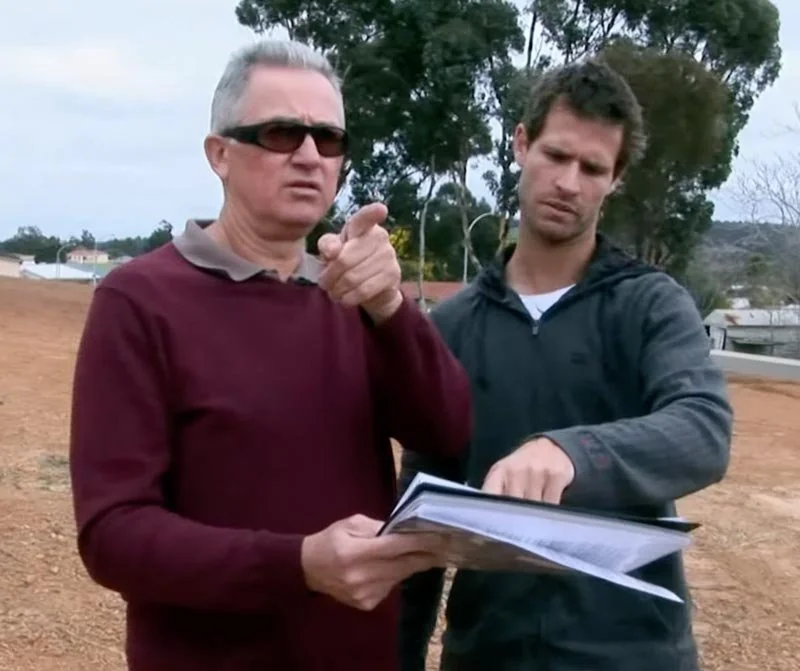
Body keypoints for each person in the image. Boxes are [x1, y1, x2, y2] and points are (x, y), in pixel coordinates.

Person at [68, 39, 472, 671]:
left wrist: (391, 309)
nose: (310, 157)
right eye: (282, 133)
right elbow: (114, 535)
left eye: (328, 138)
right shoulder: (140, 300)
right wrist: (300, 565)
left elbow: (446, 428)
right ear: (219, 155)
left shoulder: (353, 297)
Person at [398, 58, 734, 671]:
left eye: (593, 168)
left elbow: (704, 430)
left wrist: (570, 454)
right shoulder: (449, 328)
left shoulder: (650, 303)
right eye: (556, 156)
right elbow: (420, 517)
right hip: (487, 652)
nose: (569, 183)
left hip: (633, 654)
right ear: (522, 144)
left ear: (617, 179)